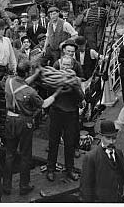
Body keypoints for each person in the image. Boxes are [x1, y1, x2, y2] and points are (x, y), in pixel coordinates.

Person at [45, 40, 84, 182]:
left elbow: (81, 96)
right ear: (60, 64)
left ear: (72, 66)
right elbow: (48, 92)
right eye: (64, 65)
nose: (66, 68)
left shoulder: (75, 77)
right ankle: (50, 169)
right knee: (53, 141)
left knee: (69, 142)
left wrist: (73, 85)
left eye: (69, 65)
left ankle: (70, 169)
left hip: (71, 112)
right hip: (56, 111)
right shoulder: (55, 72)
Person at [2, 61, 43, 196]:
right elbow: (42, 104)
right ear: (26, 73)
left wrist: (36, 74)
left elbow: (22, 82)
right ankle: (24, 186)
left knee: (9, 154)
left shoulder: (9, 82)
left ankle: (6, 186)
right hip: (24, 123)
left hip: (9, 120)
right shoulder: (30, 92)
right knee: (25, 155)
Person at [80, 120, 124, 203]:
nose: (111, 142)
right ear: (101, 137)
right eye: (108, 138)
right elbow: (86, 187)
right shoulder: (91, 157)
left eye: (114, 138)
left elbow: (123, 176)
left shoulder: (119, 153)